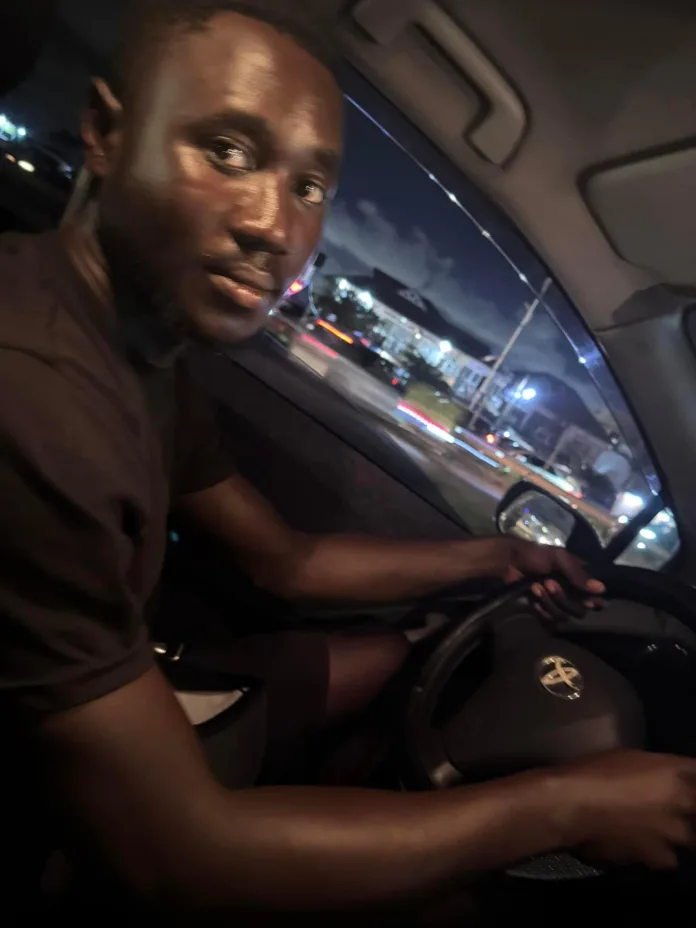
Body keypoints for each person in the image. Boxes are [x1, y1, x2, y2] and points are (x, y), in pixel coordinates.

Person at [1, 0, 696, 919]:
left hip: (149, 687)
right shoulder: (33, 399)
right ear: (105, 132)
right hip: (62, 819)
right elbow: (172, 855)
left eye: (310, 187)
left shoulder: (142, 357)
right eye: (228, 152)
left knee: (396, 659)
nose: (272, 226)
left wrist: (497, 558)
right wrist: (566, 804)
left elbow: (284, 561)